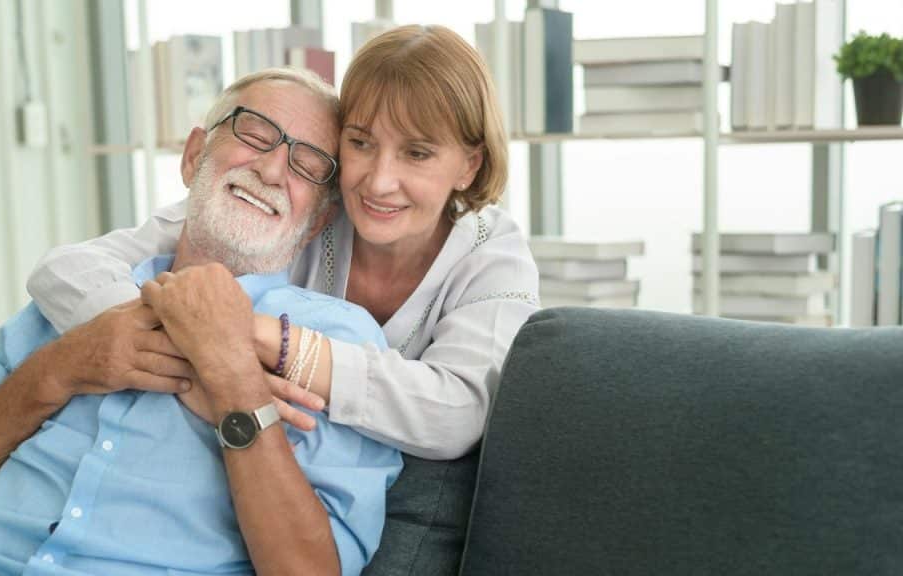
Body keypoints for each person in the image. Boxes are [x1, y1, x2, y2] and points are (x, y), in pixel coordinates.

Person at [0, 68, 401, 576]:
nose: (271, 170)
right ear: (194, 156)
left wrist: (232, 378)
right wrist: (61, 367)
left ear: (316, 222)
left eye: (308, 165)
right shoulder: (76, 299)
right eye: (254, 134)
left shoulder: (336, 345)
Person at [27, 25, 540, 460]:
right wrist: (202, 361)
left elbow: (455, 416)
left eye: (417, 154)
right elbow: (66, 270)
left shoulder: (491, 255)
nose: (380, 181)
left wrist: (248, 338)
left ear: (469, 164)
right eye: (361, 142)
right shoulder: (304, 208)